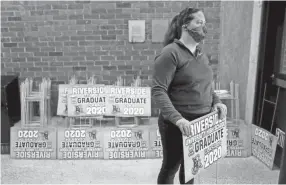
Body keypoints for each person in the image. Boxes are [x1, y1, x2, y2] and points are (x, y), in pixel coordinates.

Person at [151, 7, 227, 184]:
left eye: (205, 23)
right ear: (185, 26)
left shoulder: (201, 55)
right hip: (177, 123)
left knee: (191, 168)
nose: (204, 27)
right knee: (171, 167)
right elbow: (158, 90)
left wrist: (216, 102)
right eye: (199, 23)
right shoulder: (170, 53)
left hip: (201, 123)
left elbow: (205, 86)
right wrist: (178, 119)